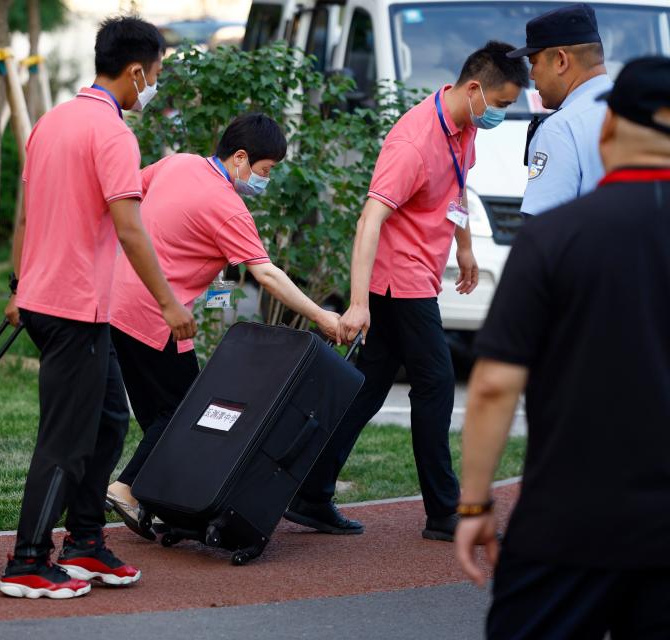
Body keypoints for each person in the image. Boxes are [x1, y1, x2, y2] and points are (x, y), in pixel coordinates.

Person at [455, 57, 670, 638]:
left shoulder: (554, 236)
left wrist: (475, 504)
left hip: (568, 522)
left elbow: (495, 384)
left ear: (607, 130)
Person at [286, 41, 528, 540]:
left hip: (417, 274)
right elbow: (370, 219)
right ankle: (443, 511)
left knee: (366, 389)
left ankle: (310, 494)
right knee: (437, 383)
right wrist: (357, 302)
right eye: (502, 105)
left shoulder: (461, 127)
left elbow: (457, 188)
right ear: (476, 89)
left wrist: (464, 248)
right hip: (399, 282)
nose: (502, 115)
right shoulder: (414, 141)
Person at [0, 16, 197, 600]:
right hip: (74, 308)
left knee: (110, 419)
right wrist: (168, 304)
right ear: (136, 71)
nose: (152, 87)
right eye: (154, 75)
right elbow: (130, 229)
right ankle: (28, 561)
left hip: (55, 303)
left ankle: (84, 543)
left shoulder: (52, 123)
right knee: (66, 439)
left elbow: (27, 213)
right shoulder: (112, 134)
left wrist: (17, 284)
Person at [103, 114, 343, 539]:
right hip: (158, 316)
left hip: (116, 299)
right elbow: (267, 274)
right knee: (184, 415)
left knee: (162, 414)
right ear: (240, 158)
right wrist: (322, 316)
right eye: (265, 171)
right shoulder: (227, 207)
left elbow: (124, 199)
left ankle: (155, 497)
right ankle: (127, 489)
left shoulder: (178, 163)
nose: (264, 181)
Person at [508, 3, 612, 216]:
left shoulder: (561, 128)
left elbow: (543, 229)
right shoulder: (638, 111)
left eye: (534, 62)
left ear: (561, 61)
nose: (531, 75)